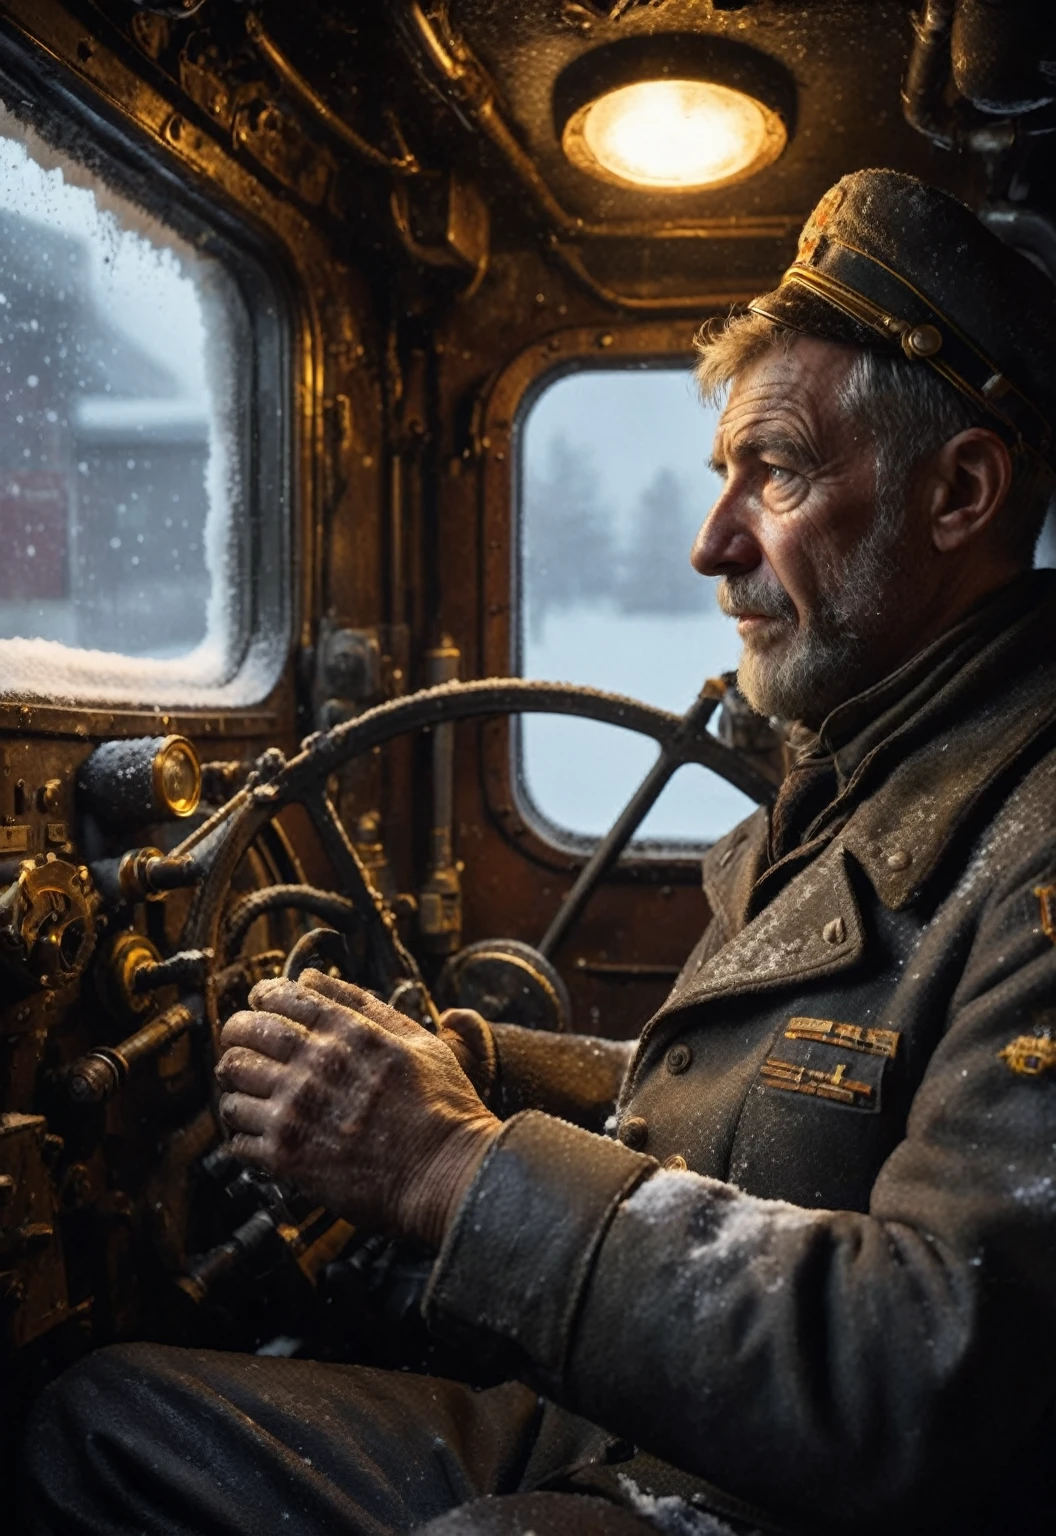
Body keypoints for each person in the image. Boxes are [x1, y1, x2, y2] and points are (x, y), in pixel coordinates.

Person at [25, 169, 1056, 1536]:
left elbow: (942, 1380)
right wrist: (495, 1072)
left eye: (780, 471)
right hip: (648, 1420)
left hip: (787, 1493)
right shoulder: (879, 769)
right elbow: (796, 1118)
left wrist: (447, 1167)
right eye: (723, 478)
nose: (712, 542)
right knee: (95, 1426)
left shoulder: (1026, 833)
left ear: (961, 491)